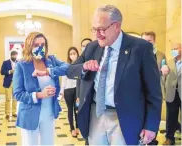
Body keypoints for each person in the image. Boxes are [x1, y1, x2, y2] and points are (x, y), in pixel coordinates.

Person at [66, 5, 162, 145]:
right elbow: (70, 70)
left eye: (101, 29)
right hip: (95, 115)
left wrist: (151, 126)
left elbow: (154, 93)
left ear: (117, 26)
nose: (97, 34)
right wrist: (84, 67)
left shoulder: (140, 49)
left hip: (125, 118)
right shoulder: (92, 47)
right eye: (94, 29)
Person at [13, 32, 69, 145]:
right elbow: (17, 93)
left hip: (49, 112)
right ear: (29, 46)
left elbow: (67, 67)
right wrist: (39, 95)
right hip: (30, 113)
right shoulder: (22, 65)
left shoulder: (51, 60)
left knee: (48, 143)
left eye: (43, 45)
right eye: (36, 45)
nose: (40, 48)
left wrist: (49, 71)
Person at [141, 31, 166, 145]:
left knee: (153, 117)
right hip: (140, 93)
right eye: (144, 41)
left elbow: (164, 72)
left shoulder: (161, 55)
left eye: (149, 41)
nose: (146, 43)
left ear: (154, 41)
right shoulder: (137, 54)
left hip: (155, 91)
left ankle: (152, 140)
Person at [161, 43, 181, 145]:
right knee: (171, 117)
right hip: (171, 94)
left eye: (176, 48)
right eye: (172, 49)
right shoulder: (168, 63)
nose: (174, 50)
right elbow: (164, 79)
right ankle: (169, 138)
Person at [60, 47, 79, 137]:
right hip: (68, 90)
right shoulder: (66, 66)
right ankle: (72, 128)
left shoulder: (80, 65)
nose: (72, 55)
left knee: (77, 110)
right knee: (70, 110)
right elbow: (64, 80)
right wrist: (62, 91)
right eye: (70, 54)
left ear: (77, 54)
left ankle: (78, 127)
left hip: (77, 90)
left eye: (74, 53)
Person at [77, 38, 92, 145]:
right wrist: (78, 95)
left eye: (87, 45)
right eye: (83, 45)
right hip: (83, 98)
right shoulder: (81, 61)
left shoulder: (97, 59)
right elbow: (79, 80)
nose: (85, 47)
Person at [1, 51, 18, 119]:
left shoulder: (18, 62)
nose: (15, 57)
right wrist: (9, 71)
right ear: (11, 55)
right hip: (8, 82)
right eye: (14, 55)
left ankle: (14, 112)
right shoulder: (6, 62)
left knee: (15, 98)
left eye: (16, 56)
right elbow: (2, 72)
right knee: (8, 99)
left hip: (16, 83)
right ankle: (7, 113)